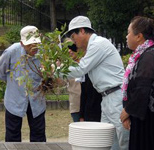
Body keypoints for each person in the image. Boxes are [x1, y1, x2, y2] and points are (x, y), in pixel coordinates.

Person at [63, 16, 129, 150]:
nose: (73, 41)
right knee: (108, 141)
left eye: (73, 36)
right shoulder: (92, 47)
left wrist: (55, 71)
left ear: (82, 31)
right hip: (107, 97)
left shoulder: (98, 44)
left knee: (124, 139)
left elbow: (81, 69)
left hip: (115, 95)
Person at [0, 25, 46, 142]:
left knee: (38, 133)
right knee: (12, 134)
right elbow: (0, 71)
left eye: (36, 43)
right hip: (14, 98)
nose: (34, 47)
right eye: (29, 44)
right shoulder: (12, 51)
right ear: (22, 43)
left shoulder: (44, 52)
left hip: (37, 98)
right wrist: (13, 83)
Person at [120, 16, 154, 150]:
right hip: (142, 117)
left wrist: (127, 110)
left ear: (139, 36)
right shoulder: (143, 55)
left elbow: (142, 88)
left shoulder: (149, 56)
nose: (126, 36)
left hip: (148, 120)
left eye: (128, 32)